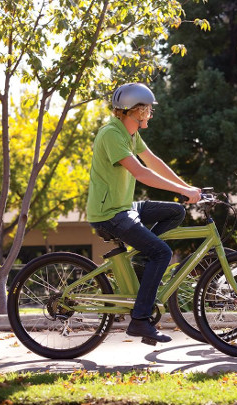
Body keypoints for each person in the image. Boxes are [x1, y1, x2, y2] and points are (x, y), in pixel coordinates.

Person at [86, 83, 201, 345]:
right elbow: (142, 173)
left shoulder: (130, 133)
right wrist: (182, 188)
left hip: (125, 207)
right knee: (162, 252)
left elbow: (153, 162)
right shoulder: (111, 134)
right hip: (109, 213)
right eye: (148, 110)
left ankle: (142, 261)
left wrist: (185, 189)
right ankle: (139, 321)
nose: (150, 114)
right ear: (136, 111)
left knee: (175, 212)